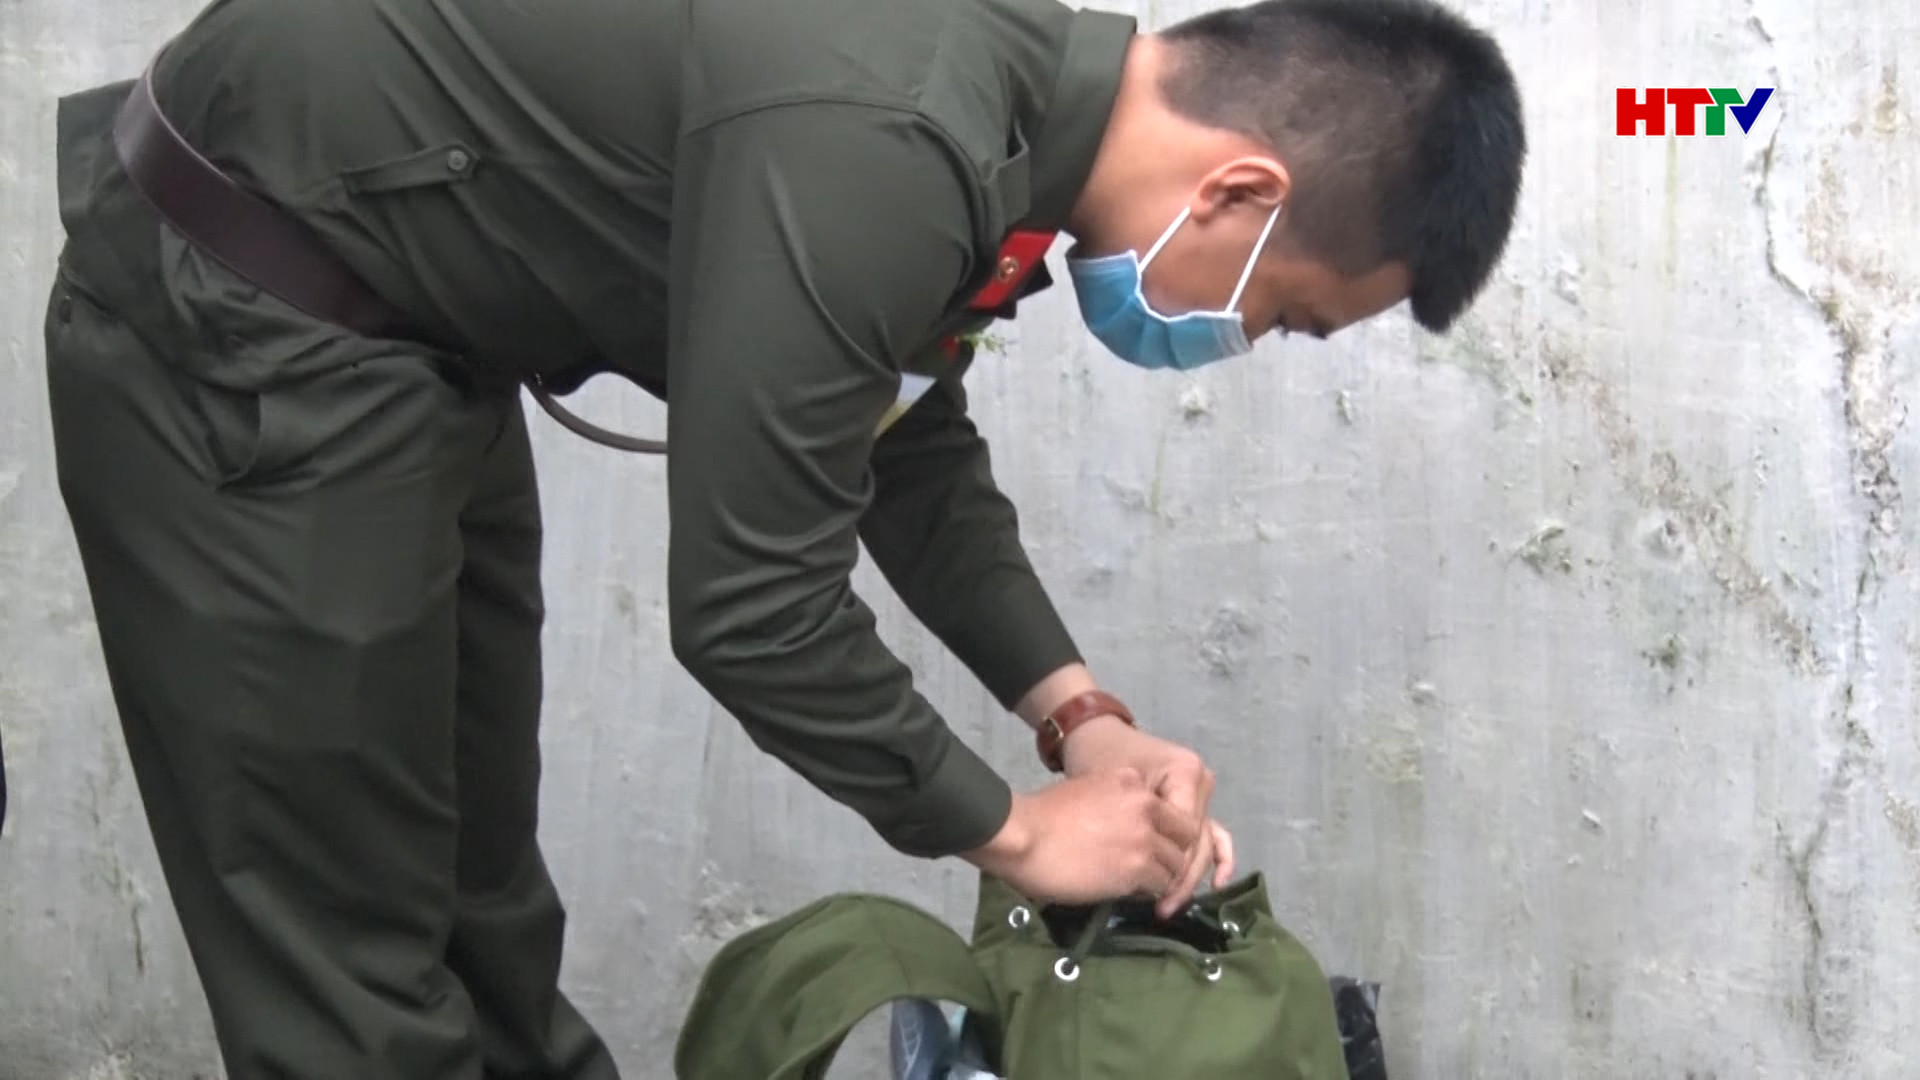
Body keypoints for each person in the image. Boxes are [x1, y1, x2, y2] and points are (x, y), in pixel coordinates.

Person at [42, 0, 1524, 1075]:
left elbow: (897, 437)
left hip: (417, 339)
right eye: (1283, 313)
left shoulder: (1000, 112)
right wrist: (1017, 833)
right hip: (249, 315)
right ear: (1241, 190)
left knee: (478, 904)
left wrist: (1079, 715)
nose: (1240, 340)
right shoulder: (890, 130)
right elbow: (752, 610)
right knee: (350, 967)